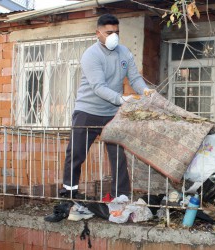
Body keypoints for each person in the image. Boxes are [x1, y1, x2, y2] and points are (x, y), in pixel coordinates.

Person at [59, 13, 155, 199]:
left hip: (112, 113)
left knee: (118, 155)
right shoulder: (91, 55)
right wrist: (122, 100)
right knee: (76, 154)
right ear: (98, 33)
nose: (114, 36)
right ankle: (68, 195)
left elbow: (134, 78)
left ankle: (121, 196)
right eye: (109, 32)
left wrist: (145, 91)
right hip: (87, 111)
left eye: (117, 32)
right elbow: (98, 87)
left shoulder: (124, 52)